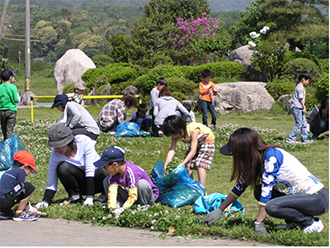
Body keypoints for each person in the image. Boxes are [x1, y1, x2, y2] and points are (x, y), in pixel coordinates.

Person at [201, 127, 328, 234]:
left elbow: (267, 192)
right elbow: (239, 187)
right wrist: (218, 211)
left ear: (245, 152)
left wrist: (259, 223)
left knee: (272, 207)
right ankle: (294, 223)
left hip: (316, 198)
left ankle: (311, 223)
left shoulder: (272, 156)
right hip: (301, 198)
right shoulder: (256, 160)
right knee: (258, 191)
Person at [35, 124, 109, 209]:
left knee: (102, 169)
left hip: (96, 180)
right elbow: (52, 181)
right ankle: (75, 196)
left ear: (69, 142)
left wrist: (90, 197)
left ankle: (104, 195)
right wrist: (46, 201)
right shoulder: (55, 155)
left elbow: (90, 169)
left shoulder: (84, 141)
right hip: (81, 183)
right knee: (63, 168)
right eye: (54, 146)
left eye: (60, 145)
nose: (57, 148)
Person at [94, 146, 159, 218]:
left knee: (142, 184)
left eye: (105, 167)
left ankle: (144, 206)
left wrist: (124, 208)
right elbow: (112, 191)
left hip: (144, 196)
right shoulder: (115, 173)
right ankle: (118, 205)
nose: (104, 170)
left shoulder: (132, 171)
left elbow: (133, 194)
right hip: (130, 194)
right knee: (106, 180)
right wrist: (112, 208)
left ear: (115, 165)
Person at [162, 115, 215, 187]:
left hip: (207, 140)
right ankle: (191, 186)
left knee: (199, 163)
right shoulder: (175, 134)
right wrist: (167, 163)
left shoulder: (194, 130)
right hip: (196, 143)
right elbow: (172, 149)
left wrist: (182, 164)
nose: (175, 137)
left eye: (175, 134)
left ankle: (202, 189)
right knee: (187, 166)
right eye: (172, 135)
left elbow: (193, 151)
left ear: (181, 128)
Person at [0, 150, 38, 221]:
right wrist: (29, 208)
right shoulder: (20, 171)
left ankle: (4, 212)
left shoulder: (8, 171)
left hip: (1, 201)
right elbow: (21, 190)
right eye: (30, 170)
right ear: (25, 166)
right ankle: (20, 213)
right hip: (5, 202)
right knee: (28, 187)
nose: (29, 173)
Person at [286, 71, 313, 144]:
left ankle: (305, 138)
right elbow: (300, 98)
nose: (308, 82)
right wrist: (303, 106)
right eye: (307, 80)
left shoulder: (299, 86)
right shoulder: (300, 88)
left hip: (299, 108)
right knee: (299, 124)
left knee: (304, 123)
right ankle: (291, 138)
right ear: (303, 79)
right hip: (297, 107)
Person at [0, 69, 19, 141]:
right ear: (10, 77)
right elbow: (16, 100)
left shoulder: (0, 87)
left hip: (1, 110)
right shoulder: (13, 87)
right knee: (9, 129)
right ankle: (8, 145)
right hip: (11, 110)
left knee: (4, 129)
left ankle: (5, 142)